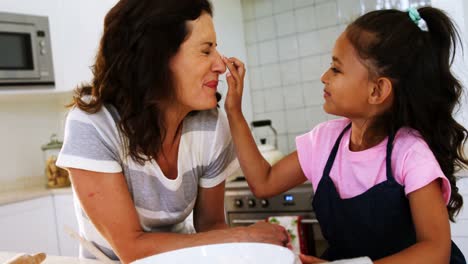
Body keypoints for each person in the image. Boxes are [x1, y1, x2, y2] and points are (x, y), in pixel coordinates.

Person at [223, 6, 468, 264]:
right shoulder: (325, 142)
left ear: (377, 90)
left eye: (336, 69)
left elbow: (435, 251)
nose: (324, 77)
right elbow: (264, 181)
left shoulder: (410, 153)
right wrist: (234, 111)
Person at [56, 0, 290, 263]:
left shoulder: (210, 125)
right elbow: (133, 249)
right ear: (156, 58)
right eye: (205, 51)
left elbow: (211, 227)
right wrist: (243, 237)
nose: (221, 65)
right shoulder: (94, 124)